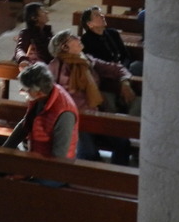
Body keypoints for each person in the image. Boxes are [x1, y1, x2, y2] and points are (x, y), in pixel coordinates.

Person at [46, 29, 135, 165]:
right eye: (73, 38)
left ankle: (116, 175)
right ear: (64, 47)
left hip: (95, 113)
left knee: (123, 142)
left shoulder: (86, 60)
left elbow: (116, 68)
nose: (78, 38)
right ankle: (88, 176)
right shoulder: (54, 68)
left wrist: (125, 82)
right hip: (74, 119)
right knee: (88, 153)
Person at [2, 62, 79, 159]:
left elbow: (59, 155)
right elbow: (26, 124)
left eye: (27, 90)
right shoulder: (40, 97)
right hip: (37, 157)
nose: (23, 92)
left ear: (38, 92)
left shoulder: (65, 113)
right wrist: (5, 149)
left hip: (53, 164)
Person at [13, 2, 54, 68]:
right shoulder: (26, 33)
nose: (47, 12)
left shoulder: (47, 32)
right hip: (36, 66)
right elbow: (19, 49)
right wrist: (23, 59)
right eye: (42, 11)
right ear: (34, 18)